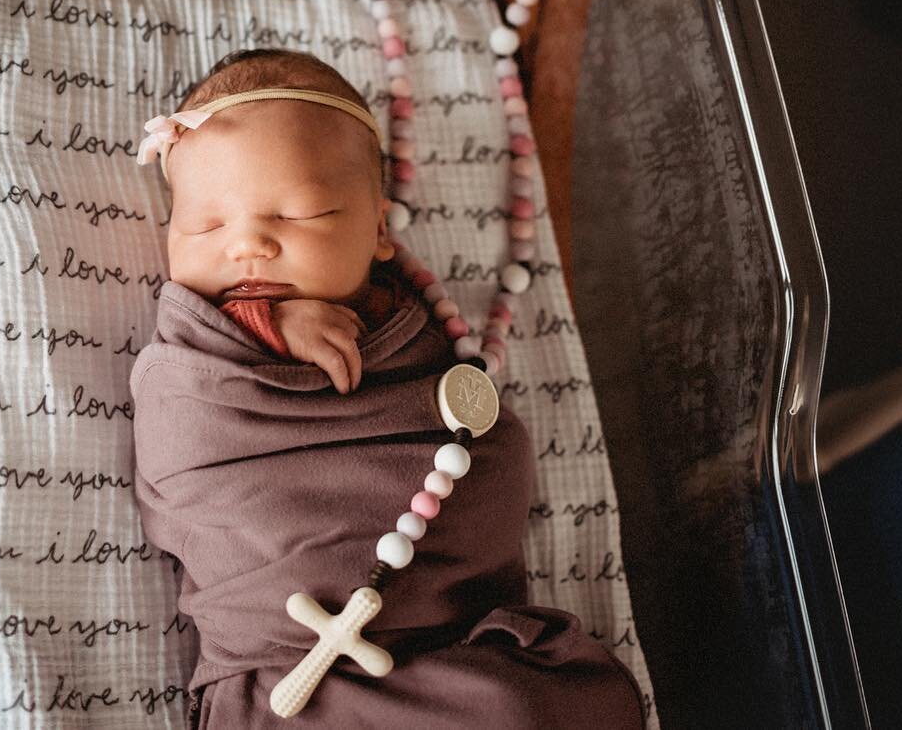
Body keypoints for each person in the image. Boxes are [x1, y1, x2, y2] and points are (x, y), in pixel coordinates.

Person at [130, 49, 642, 727]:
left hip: (447, 644)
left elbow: (476, 444)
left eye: (297, 214)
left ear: (377, 226)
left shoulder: (412, 328)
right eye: (206, 224)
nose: (247, 244)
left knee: (525, 707)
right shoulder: (207, 352)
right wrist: (263, 322)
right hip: (286, 670)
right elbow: (179, 406)